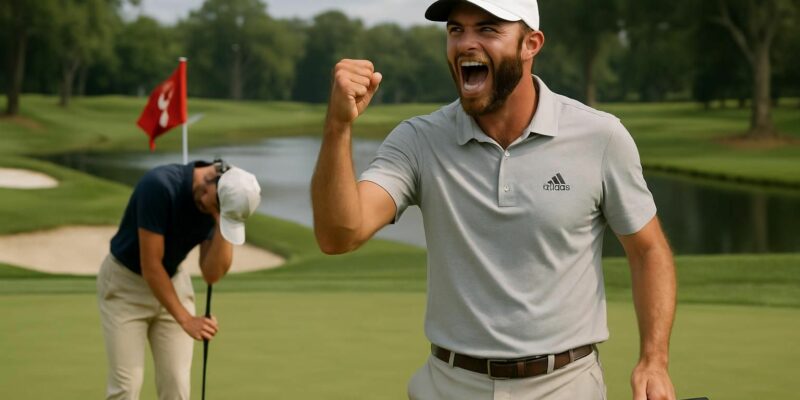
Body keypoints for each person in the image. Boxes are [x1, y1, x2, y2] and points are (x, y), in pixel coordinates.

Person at [311, 0, 677, 399]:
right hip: (449, 385)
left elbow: (648, 251)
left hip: (566, 385)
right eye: (456, 30)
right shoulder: (418, 140)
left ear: (530, 44)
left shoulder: (601, 137)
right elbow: (339, 235)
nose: (466, 43)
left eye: (487, 29)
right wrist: (337, 127)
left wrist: (653, 360)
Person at [97, 159, 261, 400]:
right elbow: (151, 265)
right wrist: (186, 320)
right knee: (127, 387)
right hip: (125, 287)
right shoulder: (160, 186)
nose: (207, 207)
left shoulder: (216, 206)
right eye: (214, 203)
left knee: (176, 387)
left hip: (173, 283)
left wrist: (222, 224)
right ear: (212, 178)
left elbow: (211, 273)